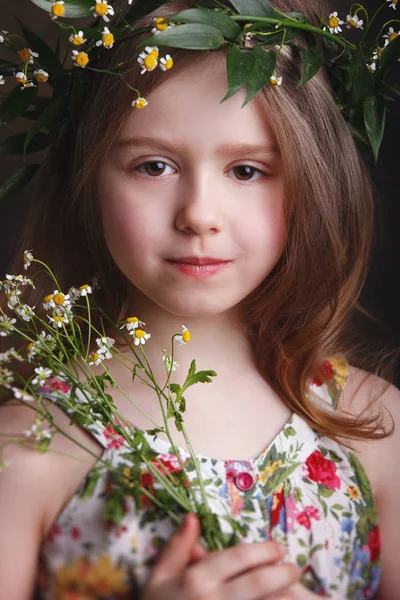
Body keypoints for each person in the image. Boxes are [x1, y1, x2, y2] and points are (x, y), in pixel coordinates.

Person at [0, 0, 399, 598]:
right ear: (90, 179)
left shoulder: (374, 429)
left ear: (309, 184)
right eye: (153, 166)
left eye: (246, 171)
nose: (198, 215)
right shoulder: (27, 447)